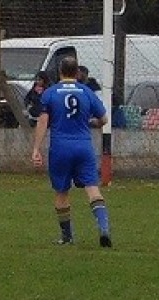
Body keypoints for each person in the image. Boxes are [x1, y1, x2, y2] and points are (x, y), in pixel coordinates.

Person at [31, 56, 112, 248]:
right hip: (83, 146)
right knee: (92, 188)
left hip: (60, 148)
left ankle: (67, 237)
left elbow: (43, 121)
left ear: (60, 72)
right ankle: (104, 229)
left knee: (61, 192)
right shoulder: (87, 92)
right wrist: (92, 122)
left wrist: (36, 149)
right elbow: (104, 120)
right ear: (77, 73)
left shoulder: (50, 93)